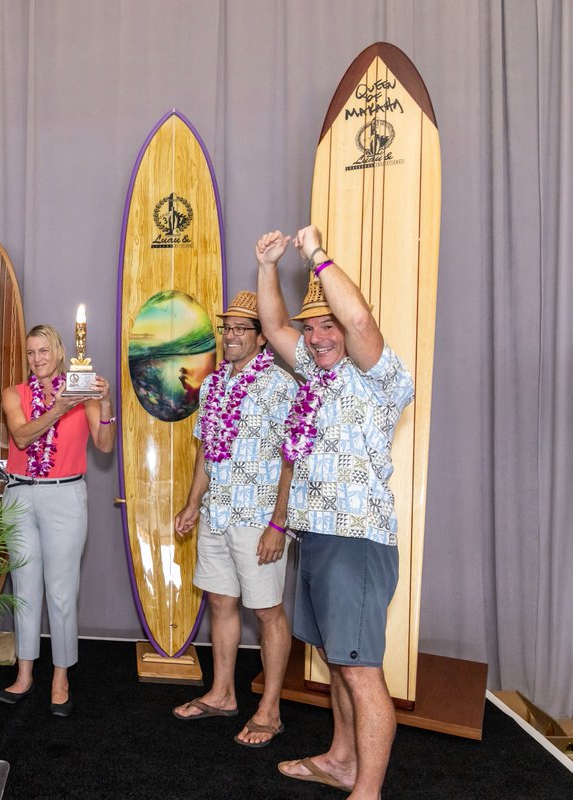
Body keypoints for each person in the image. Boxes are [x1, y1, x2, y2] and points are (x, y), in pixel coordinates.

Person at [256, 227, 414, 798]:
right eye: (312, 327)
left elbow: (365, 323)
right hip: (317, 538)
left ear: (348, 332)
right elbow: (273, 327)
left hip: (357, 540)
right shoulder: (313, 375)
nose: (318, 337)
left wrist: (316, 253)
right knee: (336, 659)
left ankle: (366, 790)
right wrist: (269, 265)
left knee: (360, 667)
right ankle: (343, 758)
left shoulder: (379, 378)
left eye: (330, 326)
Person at [172, 289, 296, 747]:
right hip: (217, 513)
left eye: (241, 329)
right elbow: (206, 448)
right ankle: (223, 693)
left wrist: (279, 523)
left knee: (267, 611)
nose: (231, 336)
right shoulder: (212, 385)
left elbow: (292, 458)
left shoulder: (282, 386)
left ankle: (270, 708)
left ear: (263, 339)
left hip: (259, 515)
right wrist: (191, 504)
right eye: (227, 328)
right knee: (221, 602)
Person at [0, 324, 114, 717]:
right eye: (30, 352)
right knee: (24, 588)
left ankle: (61, 675)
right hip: (19, 494)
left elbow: (104, 445)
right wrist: (59, 408)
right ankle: (25, 672)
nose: (37, 359)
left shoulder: (83, 394)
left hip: (65, 495)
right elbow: (22, 437)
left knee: (62, 592)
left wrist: (106, 402)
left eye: (44, 351)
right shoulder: (15, 394)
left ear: (60, 352)